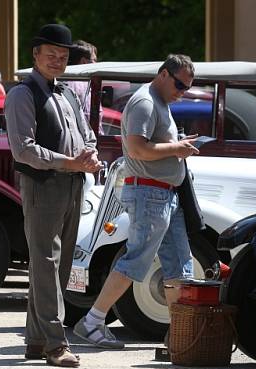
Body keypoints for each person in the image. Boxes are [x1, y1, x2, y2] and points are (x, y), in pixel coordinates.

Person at [74, 54, 199, 349]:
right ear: (163, 74)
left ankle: (180, 336)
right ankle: (92, 321)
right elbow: (138, 149)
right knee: (137, 260)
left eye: (186, 88)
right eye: (179, 84)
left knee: (180, 265)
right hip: (151, 193)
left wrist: (176, 148)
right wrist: (176, 148)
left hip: (163, 193)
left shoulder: (160, 102)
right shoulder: (145, 102)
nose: (181, 92)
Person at [4, 24, 102, 367]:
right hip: (42, 186)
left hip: (74, 184)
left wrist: (89, 156)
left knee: (58, 267)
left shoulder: (68, 94)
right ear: (35, 55)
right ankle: (56, 344)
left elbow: (87, 135)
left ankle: (36, 341)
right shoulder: (22, 94)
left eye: (62, 56)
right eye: (51, 55)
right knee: (45, 265)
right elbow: (23, 150)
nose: (57, 61)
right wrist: (69, 162)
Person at [65, 40, 101, 130]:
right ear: (84, 61)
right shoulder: (84, 85)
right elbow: (90, 117)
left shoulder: (62, 82)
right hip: (86, 140)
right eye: (94, 60)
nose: (96, 64)